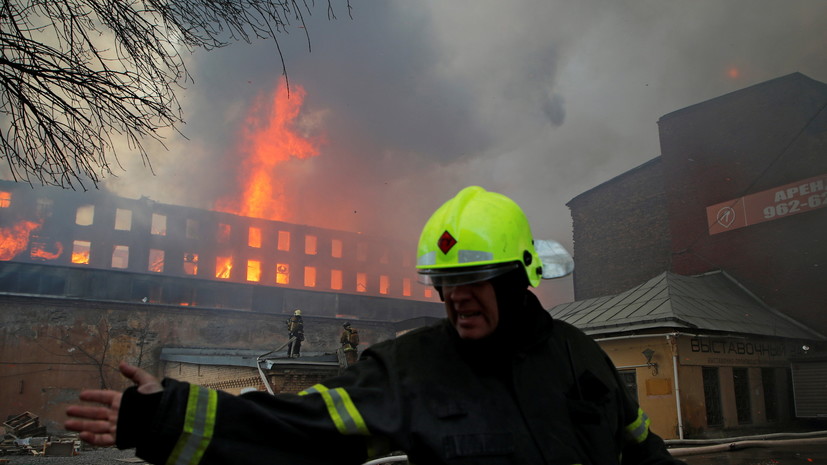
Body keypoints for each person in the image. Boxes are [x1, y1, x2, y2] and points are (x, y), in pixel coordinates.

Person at [65, 186, 685, 465]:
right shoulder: (412, 368)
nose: (455, 299)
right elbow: (298, 431)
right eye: (443, 284)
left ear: (519, 278)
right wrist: (166, 417)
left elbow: (643, 453)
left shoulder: (583, 358)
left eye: (473, 282)